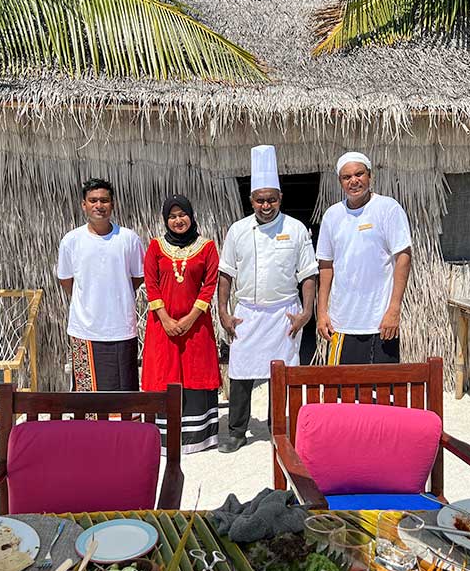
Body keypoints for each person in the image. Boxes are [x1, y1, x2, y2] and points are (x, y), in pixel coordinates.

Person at [218, 145, 319, 454]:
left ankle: (278, 428)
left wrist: (306, 313)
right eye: (260, 200)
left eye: (271, 199)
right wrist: (223, 312)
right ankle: (236, 431)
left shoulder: (296, 229)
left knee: (281, 373)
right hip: (246, 311)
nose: (266, 205)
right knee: (240, 374)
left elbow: (309, 275)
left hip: (284, 313)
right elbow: (225, 275)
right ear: (251, 201)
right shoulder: (237, 231)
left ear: (280, 199)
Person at [141, 195, 222, 453]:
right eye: (172, 216)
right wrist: (165, 318)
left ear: (191, 215)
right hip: (161, 325)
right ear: (166, 220)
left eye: (182, 215)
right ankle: (164, 438)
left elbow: (210, 285)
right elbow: (150, 284)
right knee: (164, 372)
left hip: (196, 326)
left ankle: (199, 438)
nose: (178, 220)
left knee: (196, 371)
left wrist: (190, 318)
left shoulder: (207, 247)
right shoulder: (155, 247)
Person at [316, 151, 413, 365]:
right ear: (340, 181)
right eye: (346, 177)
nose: (354, 181)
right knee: (341, 392)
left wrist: (394, 309)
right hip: (342, 322)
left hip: (381, 321)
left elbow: (403, 257)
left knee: (382, 392)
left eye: (359, 174)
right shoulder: (332, 215)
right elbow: (325, 265)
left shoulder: (388, 209)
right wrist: (322, 312)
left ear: (370, 175)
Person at [57, 178, 144, 391]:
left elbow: (137, 276)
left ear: (112, 204)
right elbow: (66, 279)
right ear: (84, 204)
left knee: (124, 392)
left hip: (121, 327)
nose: (99, 205)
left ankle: (122, 427)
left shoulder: (128, 238)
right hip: (84, 329)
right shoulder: (71, 240)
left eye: (104, 200)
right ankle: (88, 427)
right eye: (93, 200)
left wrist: (118, 294)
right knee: (88, 396)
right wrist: (87, 300)